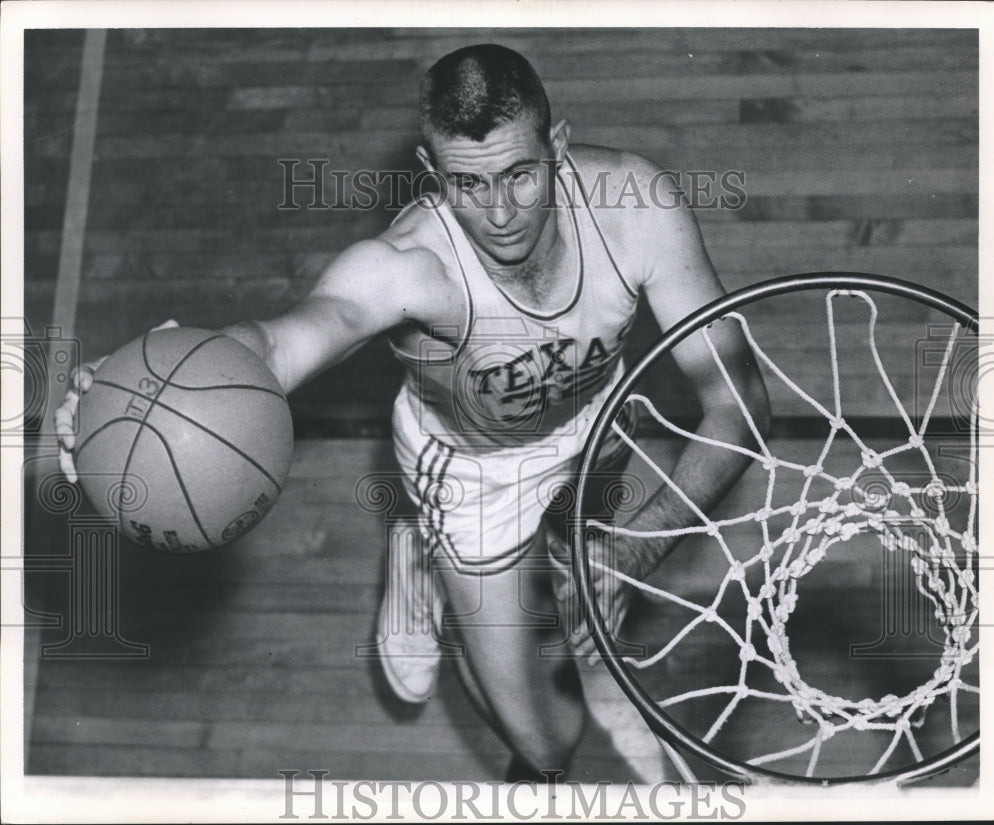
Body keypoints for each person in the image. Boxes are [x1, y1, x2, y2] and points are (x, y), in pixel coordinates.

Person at [56, 44, 770, 781]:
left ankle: (490, 570)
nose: (500, 213)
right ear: (433, 173)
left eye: (519, 175)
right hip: (474, 473)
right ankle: (429, 561)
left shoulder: (638, 209)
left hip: (599, 422)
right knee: (550, 743)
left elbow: (739, 404)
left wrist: (635, 549)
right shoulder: (407, 266)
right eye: (469, 183)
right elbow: (279, 342)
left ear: (557, 145)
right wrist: (158, 380)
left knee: (579, 577)